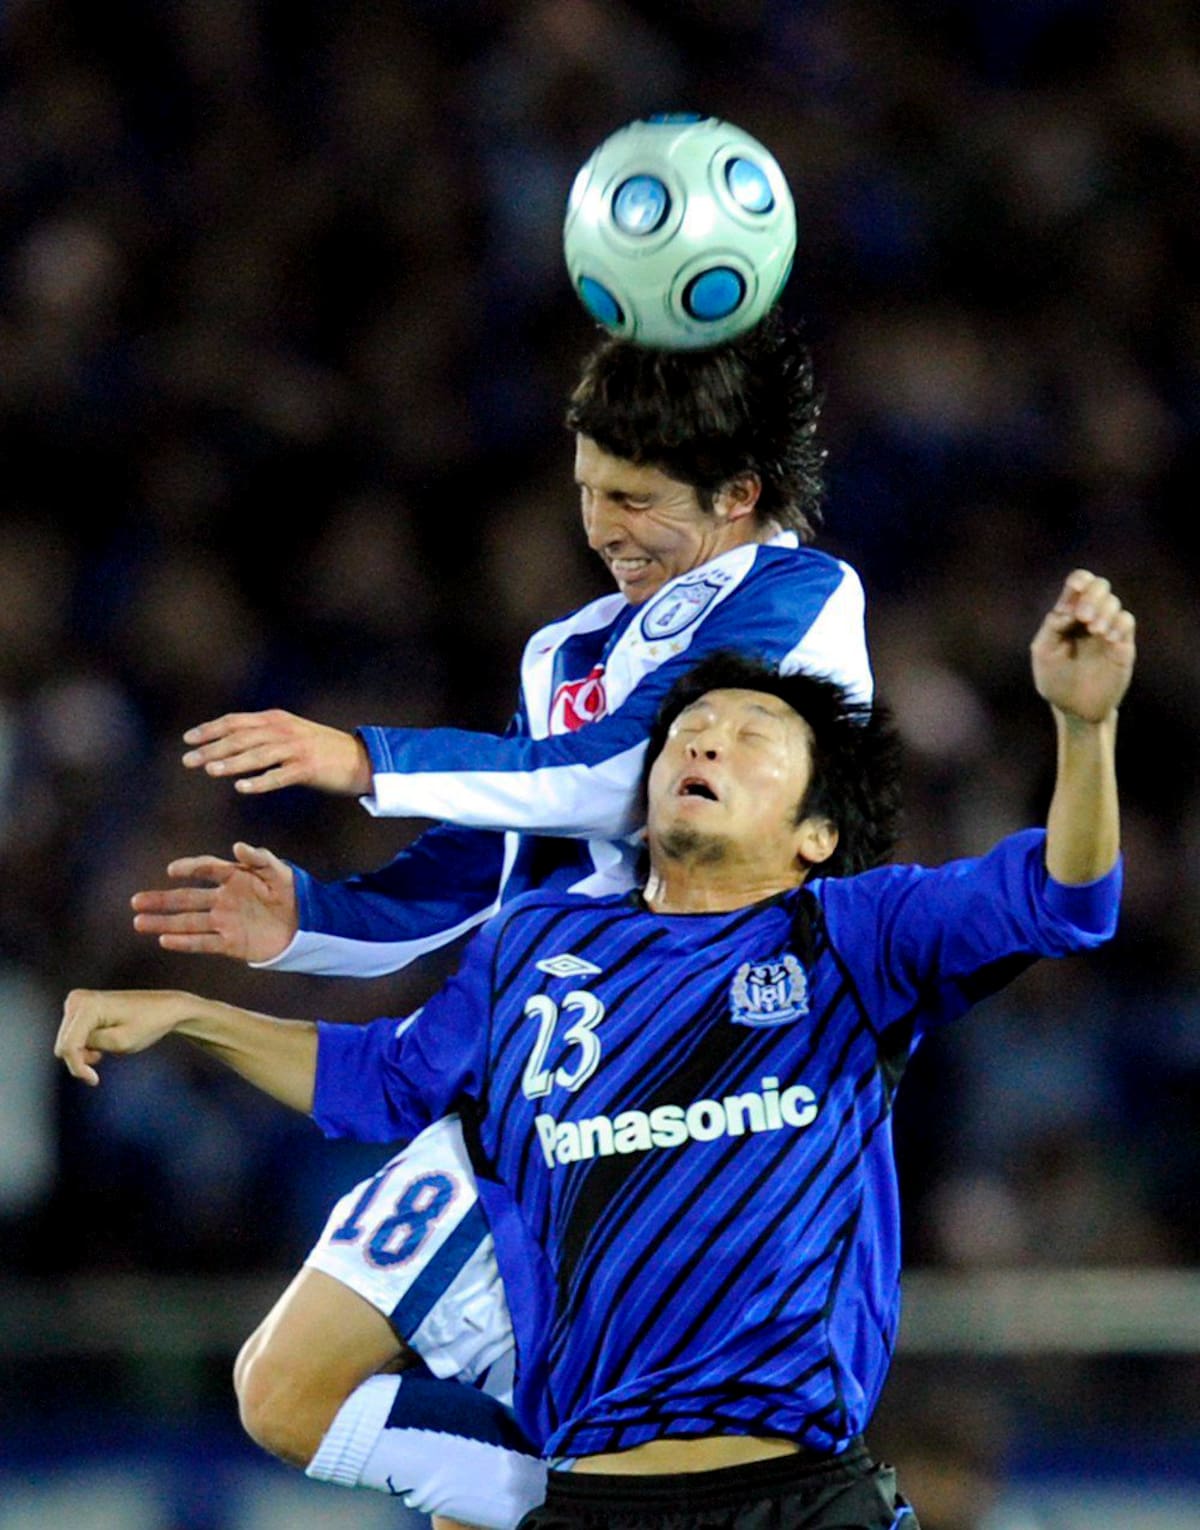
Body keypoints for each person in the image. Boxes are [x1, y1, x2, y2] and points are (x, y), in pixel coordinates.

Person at [60, 568, 1134, 1530]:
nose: (704, 742)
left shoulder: (854, 934)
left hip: (798, 1498)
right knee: (282, 1395)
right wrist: (192, 1016)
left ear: (817, 832)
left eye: (752, 735)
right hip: (589, 1503)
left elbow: (1068, 898)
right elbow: (383, 1080)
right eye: (688, 729)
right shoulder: (537, 942)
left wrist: (1084, 733)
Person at [123, 317, 874, 1523]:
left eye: (634, 498)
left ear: (739, 494)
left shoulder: (801, 596)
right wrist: (309, 921)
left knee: (468, 1435)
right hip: (529, 1049)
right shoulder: (566, 647)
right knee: (285, 1389)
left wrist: (363, 756)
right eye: (586, 492)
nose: (602, 530)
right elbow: (507, 853)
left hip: (680, 1071)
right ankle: (568, 1505)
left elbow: (612, 773)